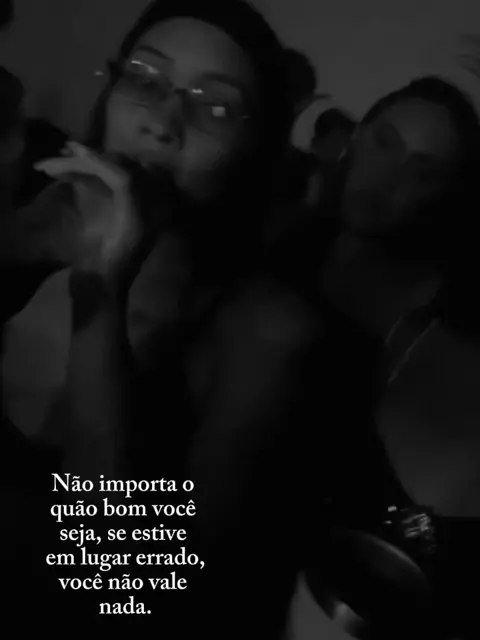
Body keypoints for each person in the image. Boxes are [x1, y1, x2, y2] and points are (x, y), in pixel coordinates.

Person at [0, 0, 313, 636]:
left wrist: (100, 293)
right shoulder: (39, 214)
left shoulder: (263, 330)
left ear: (253, 151)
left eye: (215, 108)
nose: (163, 124)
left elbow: (124, 583)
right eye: (144, 79)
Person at [276, 77, 480, 639]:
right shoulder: (286, 249)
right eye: (385, 143)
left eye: (423, 171)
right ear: (356, 138)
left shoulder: (433, 327)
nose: (391, 177)